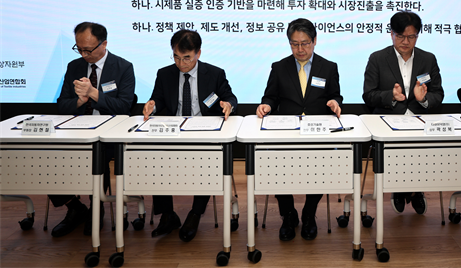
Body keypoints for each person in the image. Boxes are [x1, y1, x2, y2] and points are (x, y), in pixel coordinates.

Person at [143, 29, 237, 242]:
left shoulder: (214, 73)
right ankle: (168, 215)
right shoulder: (164, 74)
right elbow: (157, 99)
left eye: (186, 58)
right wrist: (152, 106)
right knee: (156, 157)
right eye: (176, 57)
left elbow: (230, 97)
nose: (181, 63)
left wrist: (228, 105)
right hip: (173, 131)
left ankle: (195, 214)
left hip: (204, 133)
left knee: (207, 159)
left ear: (198, 53)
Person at [256, 18, 342, 241]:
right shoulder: (279, 67)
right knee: (277, 169)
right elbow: (270, 96)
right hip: (286, 132)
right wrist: (266, 105)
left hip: (317, 132)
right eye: (294, 44)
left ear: (314, 41)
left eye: (304, 43)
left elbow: (336, 95)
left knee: (320, 169)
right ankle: (288, 214)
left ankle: (309, 213)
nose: (300, 49)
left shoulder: (328, 67)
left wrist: (334, 103)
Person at [52, 21, 135, 237]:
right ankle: (74, 207)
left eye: (88, 49)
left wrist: (93, 93)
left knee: (98, 156)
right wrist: (79, 101)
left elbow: (124, 107)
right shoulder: (74, 67)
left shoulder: (123, 67)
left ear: (104, 44)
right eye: (79, 49)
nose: (84, 54)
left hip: (109, 134)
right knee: (47, 157)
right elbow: (62, 105)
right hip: (76, 131)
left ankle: (96, 208)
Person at [363, 10, 444, 216]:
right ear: (391, 34)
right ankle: (401, 188)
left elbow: (438, 94)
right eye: (400, 36)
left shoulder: (428, 59)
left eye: (411, 36)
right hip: (389, 121)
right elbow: (368, 95)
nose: (405, 42)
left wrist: (423, 99)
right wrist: (390, 96)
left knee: (421, 147)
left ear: (418, 35)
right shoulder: (378, 58)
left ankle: (414, 189)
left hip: (420, 120)